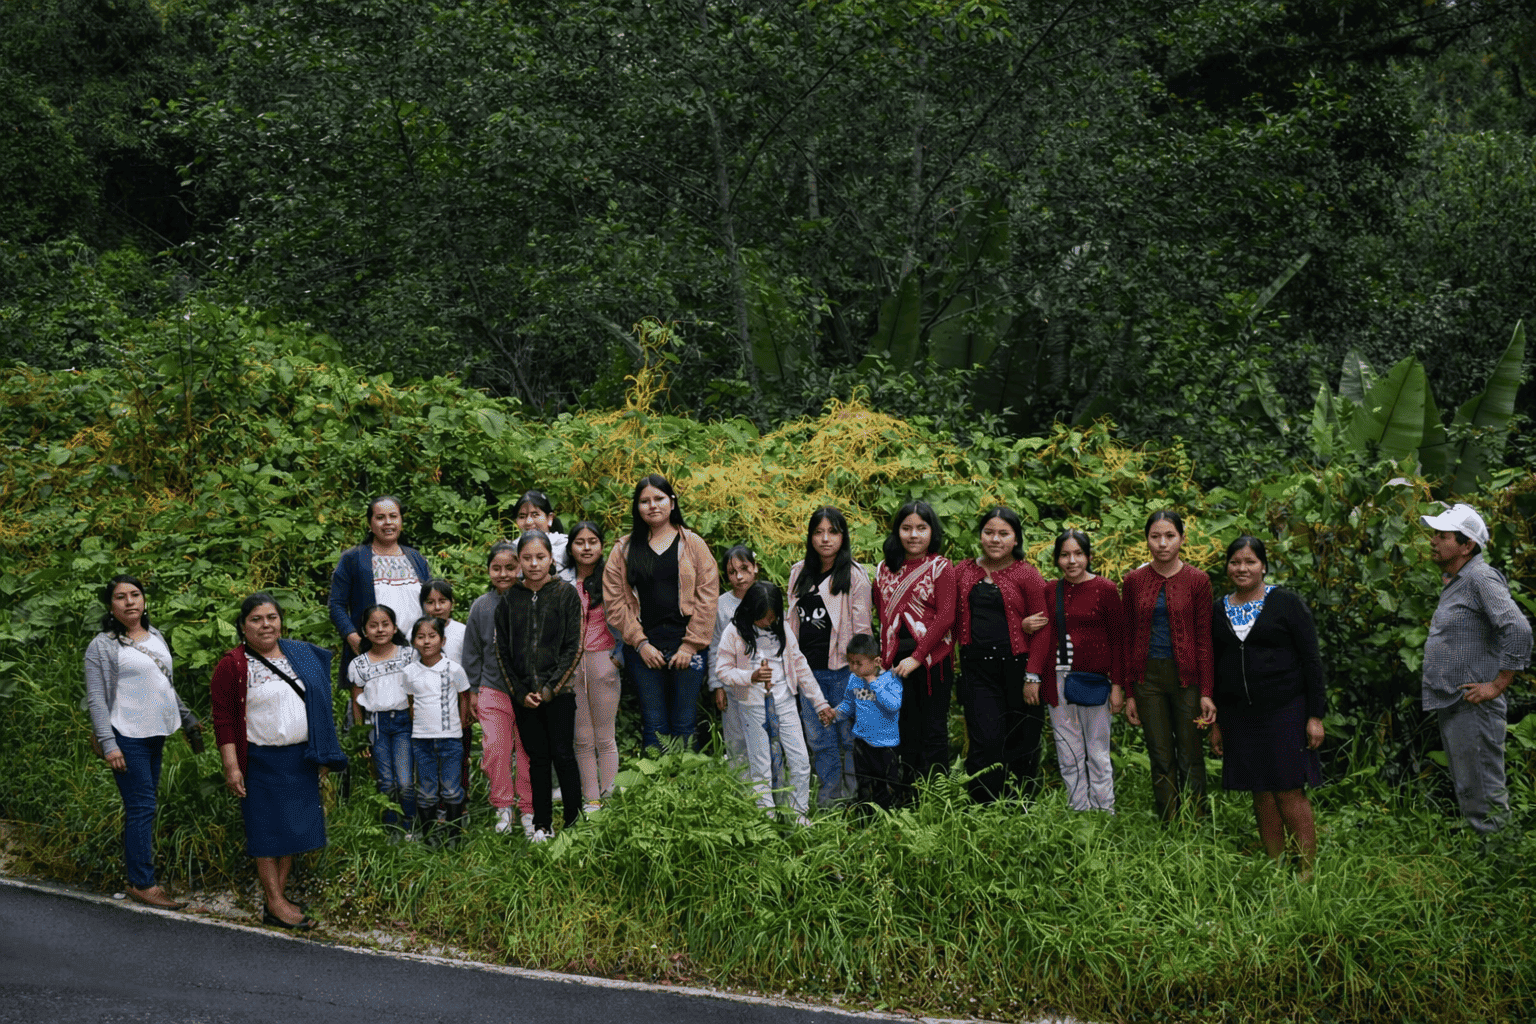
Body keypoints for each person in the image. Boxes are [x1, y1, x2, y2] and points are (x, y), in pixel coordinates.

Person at [211, 593, 347, 929]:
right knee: (267, 832)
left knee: (294, 831)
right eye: (256, 619)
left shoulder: (299, 653)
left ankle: (278, 899)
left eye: (271, 617)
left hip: (300, 758)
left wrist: (323, 750)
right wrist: (232, 766)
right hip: (260, 761)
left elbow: (321, 703)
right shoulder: (233, 664)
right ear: (243, 626)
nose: (265, 625)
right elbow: (224, 719)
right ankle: (274, 902)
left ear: (280, 620)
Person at [83, 574, 203, 910]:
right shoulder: (103, 645)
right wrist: (108, 743)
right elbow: (95, 698)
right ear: (111, 605)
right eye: (121, 597)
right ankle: (142, 882)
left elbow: (163, 683)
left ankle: (142, 876)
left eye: (135, 594)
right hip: (126, 736)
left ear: (144, 600)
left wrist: (187, 717)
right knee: (140, 807)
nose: (130, 602)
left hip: (154, 734)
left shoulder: (156, 637)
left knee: (145, 806)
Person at [1207, 537, 1326, 871]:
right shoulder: (1219, 609)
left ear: (1263, 566)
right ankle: (1275, 866)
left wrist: (1315, 715)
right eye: (1235, 562)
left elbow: (1311, 661)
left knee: (1289, 789)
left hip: (1286, 710)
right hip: (1239, 715)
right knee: (1259, 790)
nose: (1242, 568)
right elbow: (1217, 665)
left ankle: (1305, 871)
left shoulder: (1286, 603)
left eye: (1250, 562)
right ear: (1227, 566)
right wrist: (1216, 720)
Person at [1419, 503, 1532, 834]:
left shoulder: (1480, 577)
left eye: (1443, 535)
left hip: (1475, 705)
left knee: (1484, 790)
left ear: (1466, 545)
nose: (1433, 541)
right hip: (1457, 701)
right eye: (1434, 534)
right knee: (1472, 788)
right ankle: (1486, 864)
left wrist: (1497, 684)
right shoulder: (1460, 580)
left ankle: (1499, 869)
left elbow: (1518, 628)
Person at [603, 474, 719, 754]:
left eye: (659, 499)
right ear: (637, 507)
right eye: (645, 501)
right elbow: (614, 600)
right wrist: (640, 643)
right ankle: (656, 789)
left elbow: (708, 595)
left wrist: (690, 646)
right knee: (654, 722)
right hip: (644, 649)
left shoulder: (692, 544)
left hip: (687, 647)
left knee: (685, 721)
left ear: (672, 502)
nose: (652, 505)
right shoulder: (624, 549)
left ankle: (686, 790)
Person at [1122, 510, 1216, 821]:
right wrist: (1130, 692)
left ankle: (1197, 818)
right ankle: (1169, 821)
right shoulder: (1134, 581)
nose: (1162, 543)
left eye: (1170, 536)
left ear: (1182, 539)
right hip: (1147, 678)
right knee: (1160, 754)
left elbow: (1204, 637)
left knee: (1190, 752)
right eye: (1155, 536)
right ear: (1147, 539)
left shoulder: (1198, 580)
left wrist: (1206, 691)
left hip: (1186, 677)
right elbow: (1127, 635)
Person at [715, 581, 833, 822]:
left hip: (785, 702)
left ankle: (798, 815)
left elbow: (800, 666)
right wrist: (751, 676)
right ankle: (766, 819)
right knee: (760, 764)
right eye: (762, 618)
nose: (767, 623)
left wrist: (819, 702)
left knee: (800, 759)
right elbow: (722, 670)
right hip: (752, 706)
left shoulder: (784, 629)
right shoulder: (734, 631)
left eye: (771, 618)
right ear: (749, 611)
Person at [1026, 529, 1126, 812]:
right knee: (1067, 748)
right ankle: (1078, 808)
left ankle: (1104, 809)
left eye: (1078, 554)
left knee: (1097, 750)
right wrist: (1032, 671)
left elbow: (1119, 640)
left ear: (1089, 556)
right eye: (1065, 555)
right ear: (1057, 559)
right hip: (1056, 680)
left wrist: (1118, 686)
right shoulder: (1050, 590)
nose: (1072, 561)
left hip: (1094, 680)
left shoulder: (1105, 589)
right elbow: (1040, 633)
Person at [953, 507, 1048, 804]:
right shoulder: (963, 571)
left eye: (1003, 534)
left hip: (1019, 668)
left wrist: (1033, 675)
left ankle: (1021, 805)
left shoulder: (1027, 574)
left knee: (1022, 738)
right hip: (976, 669)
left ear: (1016, 538)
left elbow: (1044, 628)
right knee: (985, 738)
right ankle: (984, 805)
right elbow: (946, 614)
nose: (995, 539)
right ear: (980, 535)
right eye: (989, 532)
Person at [496, 531, 583, 841]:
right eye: (527, 558)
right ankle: (542, 825)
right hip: (524, 697)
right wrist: (520, 692)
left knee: (564, 755)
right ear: (519, 561)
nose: (533, 564)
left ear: (551, 559)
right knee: (537, 760)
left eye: (540, 557)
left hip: (559, 693)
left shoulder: (565, 594)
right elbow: (502, 651)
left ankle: (574, 823)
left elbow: (573, 648)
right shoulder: (510, 599)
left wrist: (550, 689)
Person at [787, 507, 873, 806]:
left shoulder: (854, 576)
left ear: (843, 536)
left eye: (833, 532)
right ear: (810, 536)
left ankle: (851, 799)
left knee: (849, 739)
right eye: (818, 532)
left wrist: (863, 676)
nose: (825, 539)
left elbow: (863, 632)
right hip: (809, 672)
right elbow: (792, 625)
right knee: (819, 740)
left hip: (844, 672)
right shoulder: (799, 572)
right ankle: (827, 799)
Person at [873, 499, 957, 795]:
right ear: (897, 532)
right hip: (894, 662)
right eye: (906, 528)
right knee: (904, 728)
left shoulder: (941, 567)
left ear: (932, 532)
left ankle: (938, 795)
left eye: (921, 528)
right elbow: (881, 615)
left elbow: (947, 616)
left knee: (933, 729)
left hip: (934, 660)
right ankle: (908, 794)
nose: (913, 535)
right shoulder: (883, 569)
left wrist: (918, 657)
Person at [328, 495, 433, 713]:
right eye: (380, 517)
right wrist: (353, 637)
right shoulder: (354, 559)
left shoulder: (415, 558)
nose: (388, 523)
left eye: (393, 516)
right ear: (370, 523)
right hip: (375, 651)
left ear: (401, 521)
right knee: (373, 720)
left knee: (416, 716)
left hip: (415, 652)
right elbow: (336, 604)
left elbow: (430, 602)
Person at [463, 541, 536, 836]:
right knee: (495, 748)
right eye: (497, 568)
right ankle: (502, 805)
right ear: (489, 571)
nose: (504, 573)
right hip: (492, 688)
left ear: (519, 567)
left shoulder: (533, 599)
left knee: (528, 750)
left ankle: (529, 809)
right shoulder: (481, 606)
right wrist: (472, 690)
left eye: (510, 567)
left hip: (528, 690)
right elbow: (473, 652)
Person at [565, 521, 624, 814]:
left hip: (603, 659)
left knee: (605, 735)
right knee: (582, 737)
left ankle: (610, 795)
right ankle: (591, 799)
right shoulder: (563, 582)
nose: (586, 547)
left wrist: (618, 657)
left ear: (602, 546)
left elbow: (628, 617)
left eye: (592, 541)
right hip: (572, 664)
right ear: (570, 547)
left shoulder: (611, 578)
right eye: (579, 542)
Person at [346, 605, 417, 837]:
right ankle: (391, 830)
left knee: (405, 781)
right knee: (385, 781)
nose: (380, 629)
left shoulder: (409, 655)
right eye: (373, 625)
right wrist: (361, 738)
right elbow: (357, 703)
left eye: (385, 624)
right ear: (364, 631)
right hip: (376, 725)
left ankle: (410, 828)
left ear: (395, 627)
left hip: (404, 721)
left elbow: (418, 692)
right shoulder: (359, 665)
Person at [404, 616, 471, 844]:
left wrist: (460, 724)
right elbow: (411, 701)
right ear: (413, 642)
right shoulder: (410, 672)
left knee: (452, 788)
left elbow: (464, 697)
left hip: (450, 739)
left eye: (432, 636)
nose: (426, 642)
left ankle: (454, 835)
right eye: (420, 637)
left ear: (442, 640)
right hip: (421, 740)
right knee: (426, 790)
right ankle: (430, 836)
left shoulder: (454, 669)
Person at [831, 634, 904, 812]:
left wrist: (874, 683)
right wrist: (834, 714)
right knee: (864, 785)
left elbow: (893, 705)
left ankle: (887, 821)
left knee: (885, 786)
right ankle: (866, 822)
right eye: (850, 662)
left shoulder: (890, 679)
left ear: (876, 661)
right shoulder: (854, 679)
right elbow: (848, 704)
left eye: (858, 663)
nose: (853, 668)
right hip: (862, 743)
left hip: (886, 746)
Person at [417, 578, 469, 804]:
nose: (437, 607)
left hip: (457, 702)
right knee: (429, 756)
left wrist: (468, 706)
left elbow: (469, 667)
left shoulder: (462, 631)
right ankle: (432, 804)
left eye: (443, 601)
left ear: (452, 603)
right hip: (426, 704)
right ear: (422, 605)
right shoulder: (417, 632)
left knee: (459, 755)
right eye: (430, 602)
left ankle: (460, 804)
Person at [514, 489, 573, 582]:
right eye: (522, 516)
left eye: (535, 515)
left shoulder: (566, 546)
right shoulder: (511, 549)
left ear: (550, 518)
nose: (528, 522)